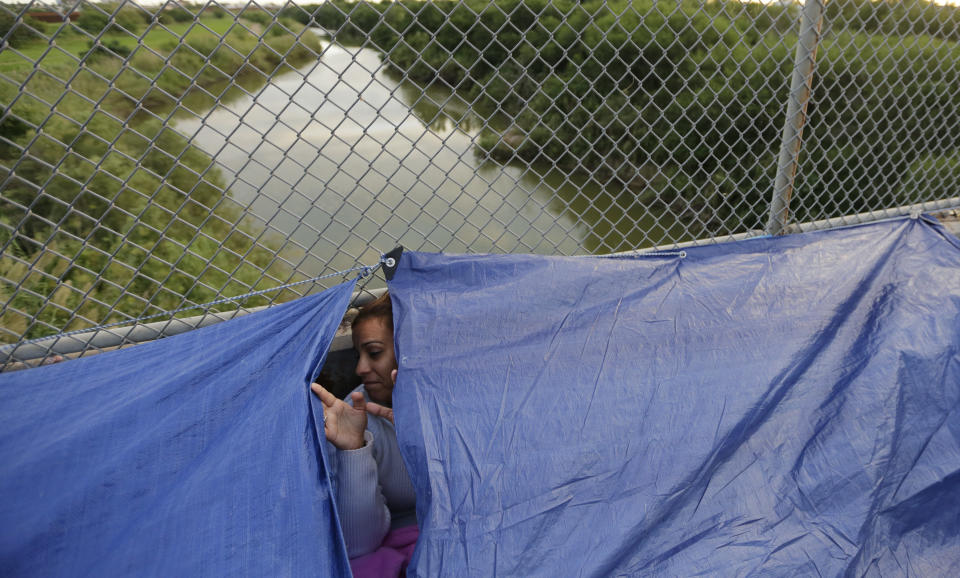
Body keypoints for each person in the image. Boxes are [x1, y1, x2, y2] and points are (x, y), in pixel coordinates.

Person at [311, 292, 417, 568]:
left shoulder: (459, 398)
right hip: (406, 536)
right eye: (359, 355)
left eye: (374, 353)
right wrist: (353, 450)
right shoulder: (355, 416)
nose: (360, 369)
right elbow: (358, 544)